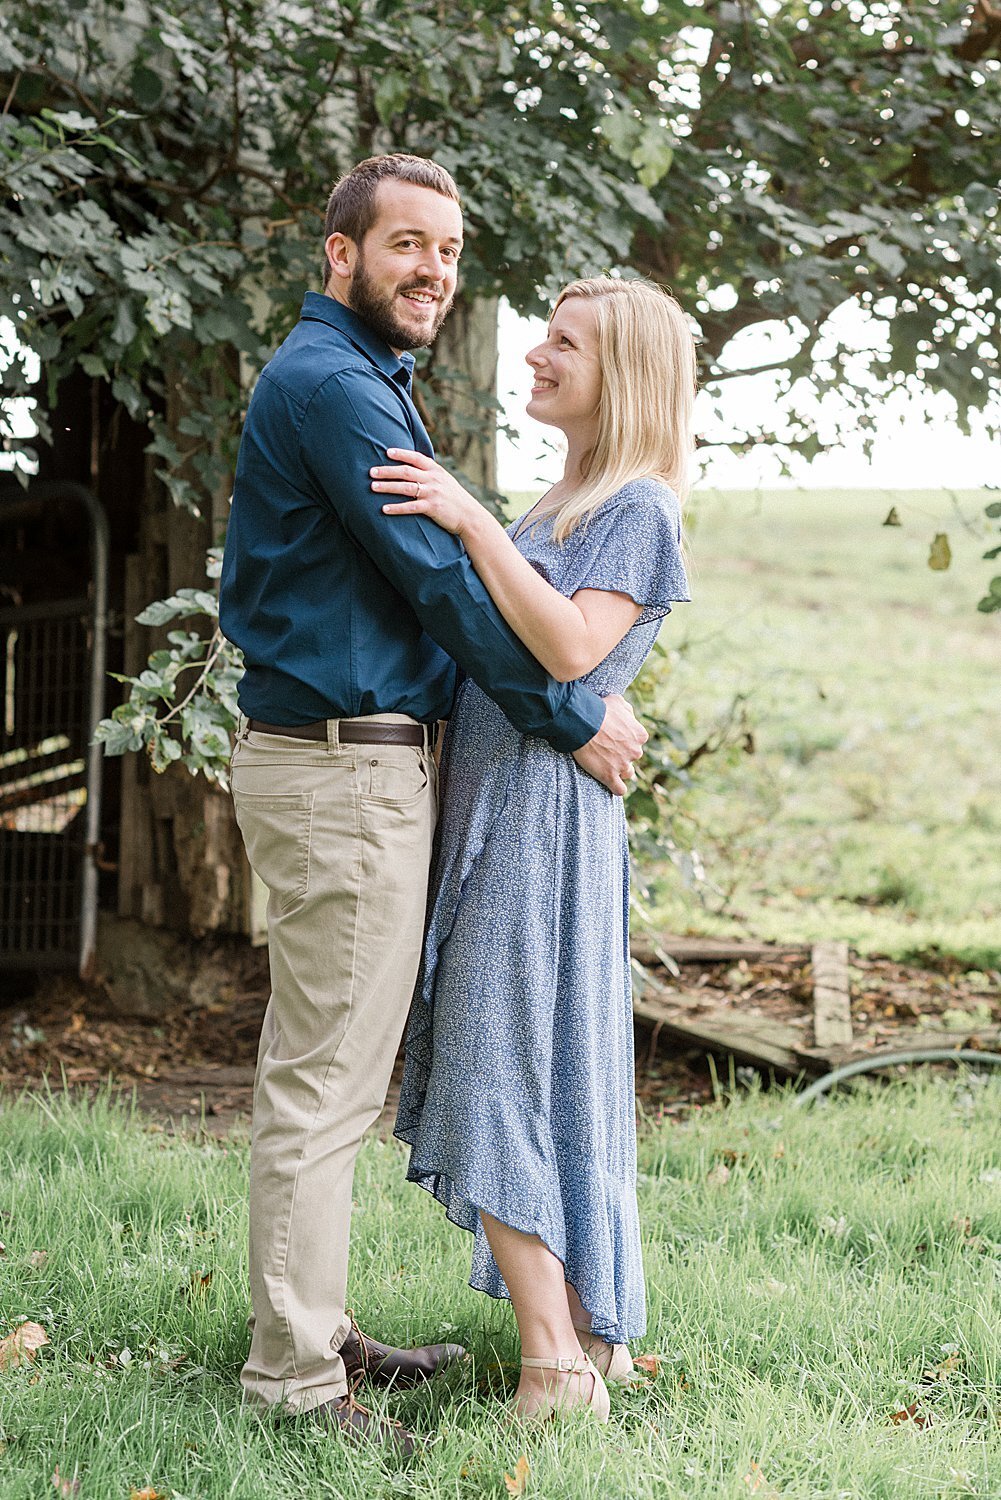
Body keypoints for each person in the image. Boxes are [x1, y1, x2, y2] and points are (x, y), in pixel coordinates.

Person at [218, 156, 648, 1449]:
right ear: (339, 254)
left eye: (450, 252)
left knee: (334, 1070)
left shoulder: (362, 384)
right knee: (323, 1082)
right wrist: (576, 713)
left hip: (356, 764)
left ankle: (315, 1321)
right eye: (407, 244)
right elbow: (444, 587)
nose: (434, 272)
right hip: (340, 768)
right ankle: (296, 1381)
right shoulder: (337, 390)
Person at [374, 275, 695, 1422]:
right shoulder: (561, 499)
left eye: (564, 343)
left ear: (625, 375)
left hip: (540, 820)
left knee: (493, 1063)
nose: (536, 355)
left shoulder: (636, 507)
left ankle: (555, 1365)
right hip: (500, 797)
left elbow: (564, 649)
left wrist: (462, 517)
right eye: (543, 337)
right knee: (527, 1066)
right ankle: (586, 1340)